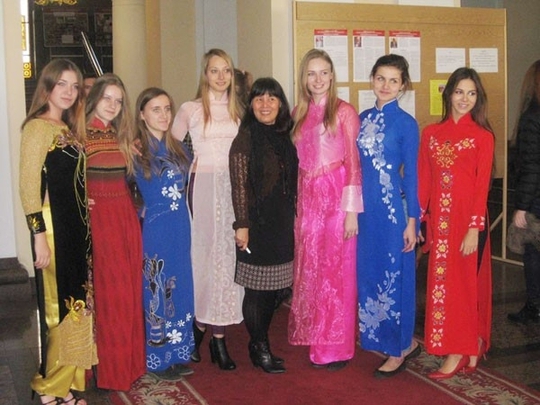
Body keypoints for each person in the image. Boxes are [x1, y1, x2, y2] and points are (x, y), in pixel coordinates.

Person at [19, 58, 92, 405]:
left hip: (76, 228)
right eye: (61, 84)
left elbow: (66, 180)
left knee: (76, 306)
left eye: (74, 86)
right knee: (58, 309)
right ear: (47, 86)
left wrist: (83, 200)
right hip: (53, 230)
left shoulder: (68, 129)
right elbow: (28, 187)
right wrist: (38, 236)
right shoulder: (37, 128)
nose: (69, 91)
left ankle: (65, 385)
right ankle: (49, 389)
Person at [288, 48, 363, 371]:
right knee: (314, 270)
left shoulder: (344, 112)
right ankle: (318, 337)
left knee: (337, 272)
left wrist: (351, 212)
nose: (317, 79)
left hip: (336, 199)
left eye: (323, 72)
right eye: (311, 73)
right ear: (304, 78)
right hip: (308, 201)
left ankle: (337, 347)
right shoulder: (298, 113)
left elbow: (354, 163)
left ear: (332, 76)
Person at [171, 48, 244, 371]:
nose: (221, 76)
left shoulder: (239, 109)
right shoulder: (190, 109)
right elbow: (167, 147)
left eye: (226, 70)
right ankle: (197, 324)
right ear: (205, 74)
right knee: (203, 256)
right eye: (214, 70)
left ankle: (218, 336)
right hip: (202, 187)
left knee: (228, 258)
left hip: (233, 188)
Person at [418, 67, 494, 379]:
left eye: (471, 93)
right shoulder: (431, 134)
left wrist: (474, 228)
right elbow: (424, 179)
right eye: (459, 92)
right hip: (440, 222)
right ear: (448, 94)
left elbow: (482, 185)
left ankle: (459, 350)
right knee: (444, 285)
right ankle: (470, 343)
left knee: (464, 286)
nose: (465, 99)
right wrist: (420, 219)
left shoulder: (483, 137)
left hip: (467, 222)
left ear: (478, 98)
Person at [356, 54, 421, 378]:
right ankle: (381, 337)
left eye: (393, 80)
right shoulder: (361, 118)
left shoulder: (407, 124)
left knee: (396, 277)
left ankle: (399, 348)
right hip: (365, 213)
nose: (385, 85)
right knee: (369, 273)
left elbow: (412, 177)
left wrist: (413, 221)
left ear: (403, 85)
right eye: (381, 78)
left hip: (394, 212)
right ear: (372, 79)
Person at [229, 77, 298, 374]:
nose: (265, 104)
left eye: (272, 98)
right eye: (259, 99)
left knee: (276, 288)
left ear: (281, 103)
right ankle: (259, 346)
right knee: (257, 291)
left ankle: (259, 342)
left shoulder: (284, 135)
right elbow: (239, 186)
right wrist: (242, 224)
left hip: (282, 223)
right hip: (256, 225)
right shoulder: (245, 138)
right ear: (251, 105)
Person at [130, 87, 196, 379]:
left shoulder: (179, 148)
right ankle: (157, 358)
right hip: (156, 230)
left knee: (180, 289)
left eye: (167, 108)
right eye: (155, 109)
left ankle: (178, 352)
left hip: (181, 226)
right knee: (156, 289)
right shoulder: (136, 151)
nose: (164, 115)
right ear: (142, 115)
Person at [85, 73, 146, 390]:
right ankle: (109, 369)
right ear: (94, 98)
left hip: (124, 220)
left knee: (127, 295)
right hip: (100, 224)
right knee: (109, 297)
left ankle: (128, 364)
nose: (112, 105)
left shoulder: (121, 137)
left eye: (118, 101)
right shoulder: (78, 137)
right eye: (107, 98)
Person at [507, 60, 540, 324]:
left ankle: (534, 306)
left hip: (536, 201)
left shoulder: (532, 117)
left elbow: (532, 165)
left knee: (533, 253)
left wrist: (522, 207)